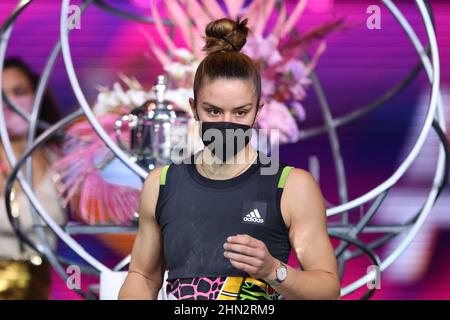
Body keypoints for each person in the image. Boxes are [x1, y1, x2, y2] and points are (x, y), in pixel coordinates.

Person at [119, 18, 340, 300]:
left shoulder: (292, 186)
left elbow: (328, 289)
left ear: (257, 111)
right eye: (213, 111)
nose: (226, 123)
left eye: (239, 112)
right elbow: (143, 275)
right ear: (194, 108)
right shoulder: (161, 183)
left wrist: (273, 270)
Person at [0, 57, 65, 299]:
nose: (9, 103)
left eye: (19, 92)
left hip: (39, 290)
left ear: (36, 97)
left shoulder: (60, 162)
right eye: (1, 95)